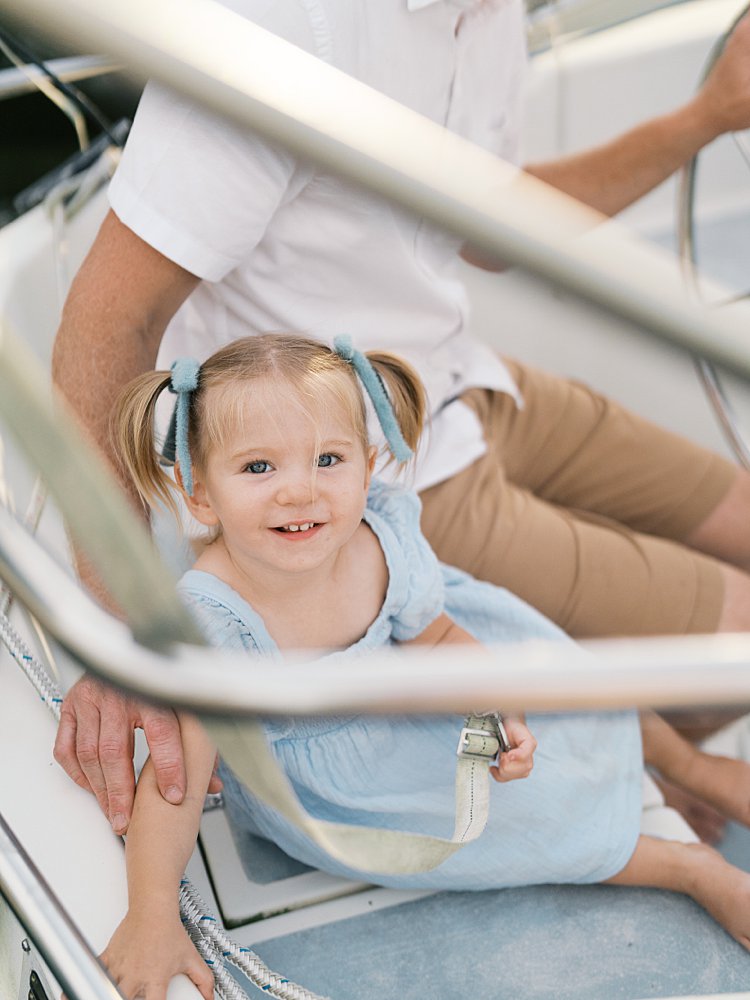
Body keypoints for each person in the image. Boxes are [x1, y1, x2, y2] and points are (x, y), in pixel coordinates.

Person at [52, 0, 750, 833]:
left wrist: (707, 116)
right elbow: (106, 322)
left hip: (465, 378)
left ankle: (656, 764)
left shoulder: (489, 15)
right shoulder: (280, 30)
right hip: (373, 472)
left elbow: (490, 227)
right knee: (735, 651)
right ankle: (654, 780)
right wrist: (130, 641)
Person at [100, 332, 750, 1000]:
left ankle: (690, 766)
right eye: (259, 468)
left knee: (564, 679)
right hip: (355, 785)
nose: (299, 491)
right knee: (522, 823)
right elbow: (172, 785)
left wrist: (499, 705)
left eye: (329, 459)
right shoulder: (215, 626)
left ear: (368, 464)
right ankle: (691, 869)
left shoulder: (376, 542)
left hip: (421, 690)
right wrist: (151, 912)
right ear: (200, 494)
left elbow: (438, 640)